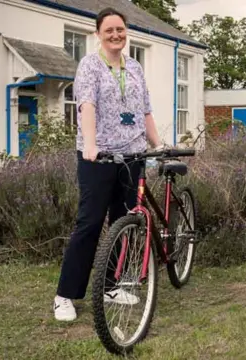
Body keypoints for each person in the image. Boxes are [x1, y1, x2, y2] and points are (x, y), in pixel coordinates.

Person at [54, 7, 164, 321]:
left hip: (133, 156)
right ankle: (65, 295)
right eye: (109, 30)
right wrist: (90, 144)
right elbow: (86, 105)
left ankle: (110, 285)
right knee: (89, 223)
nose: (115, 35)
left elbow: (145, 111)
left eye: (120, 29)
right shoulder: (90, 65)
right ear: (98, 34)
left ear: (126, 31)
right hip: (98, 157)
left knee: (124, 221)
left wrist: (158, 146)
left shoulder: (135, 67)